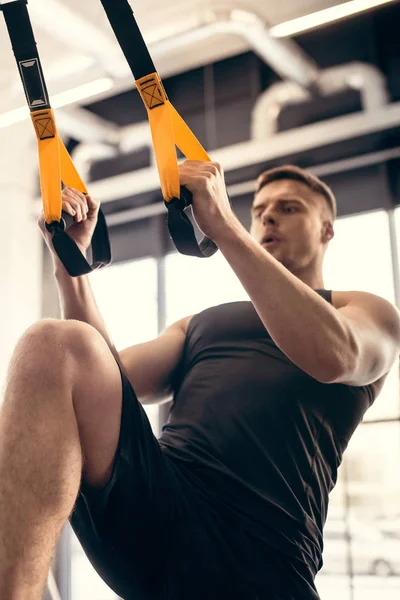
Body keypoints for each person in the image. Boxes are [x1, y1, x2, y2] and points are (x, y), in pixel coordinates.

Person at [0, 161, 399, 600]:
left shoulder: (365, 312)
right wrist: (71, 265)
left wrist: (224, 226)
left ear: (326, 230)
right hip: (160, 507)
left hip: (264, 554)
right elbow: (101, 382)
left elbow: (334, 356)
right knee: (54, 343)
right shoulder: (203, 324)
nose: (268, 216)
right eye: (260, 209)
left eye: (289, 208)